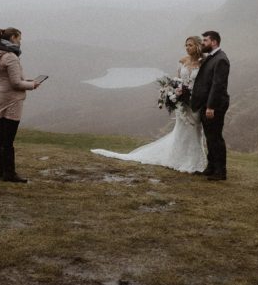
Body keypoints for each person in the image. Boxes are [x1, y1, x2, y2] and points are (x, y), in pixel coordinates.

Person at [91, 36, 207, 173]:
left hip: (196, 102)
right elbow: (178, 80)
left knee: (194, 131)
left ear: (198, 46)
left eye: (191, 45)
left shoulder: (204, 62)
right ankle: (179, 158)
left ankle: (195, 160)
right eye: (186, 45)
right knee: (182, 131)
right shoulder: (182, 61)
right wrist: (175, 92)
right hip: (182, 102)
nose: (187, 48)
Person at [0, 28, 41, 183]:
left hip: (2, 96)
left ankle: (0, 170)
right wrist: (32, 86)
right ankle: (9, 173)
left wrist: (29, 81)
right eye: (19, 38)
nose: (20, 41)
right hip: (12, 99)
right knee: (8, 138)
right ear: (12, 37)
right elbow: (16, 83)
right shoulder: (10, 56)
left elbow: (10, 78)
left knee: (2, 135)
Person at [190, 30, 229, 180]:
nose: (203, 43)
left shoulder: (221, 59)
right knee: (209, 137)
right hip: (206, 104)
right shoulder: (211, 57)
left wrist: (210, 107)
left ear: (214, 42)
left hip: (214, 106)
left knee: (216, 138)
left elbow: (218, 85)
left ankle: (220, 172)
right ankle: (211, 167)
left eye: (205, 40)